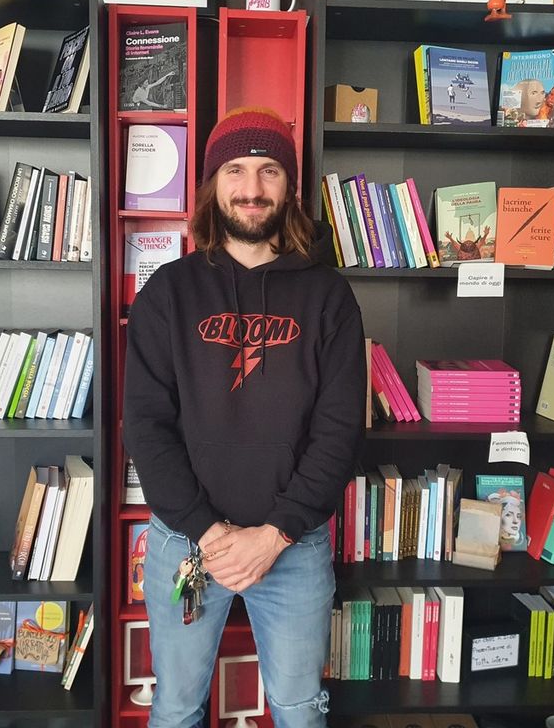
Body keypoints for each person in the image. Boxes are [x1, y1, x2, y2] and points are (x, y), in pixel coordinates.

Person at [123, 107, 366, 728]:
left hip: (293, 545)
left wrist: (273, 536)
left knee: (299, 712)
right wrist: (211, 536)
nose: (252, 188)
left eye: (269, 171)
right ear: (213, 183)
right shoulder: (167, 292)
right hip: (187, 544)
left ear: (290, 188)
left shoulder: (330, 296)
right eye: (235, 170)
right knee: (176, 709)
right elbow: (146, 427)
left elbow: (339, 432)